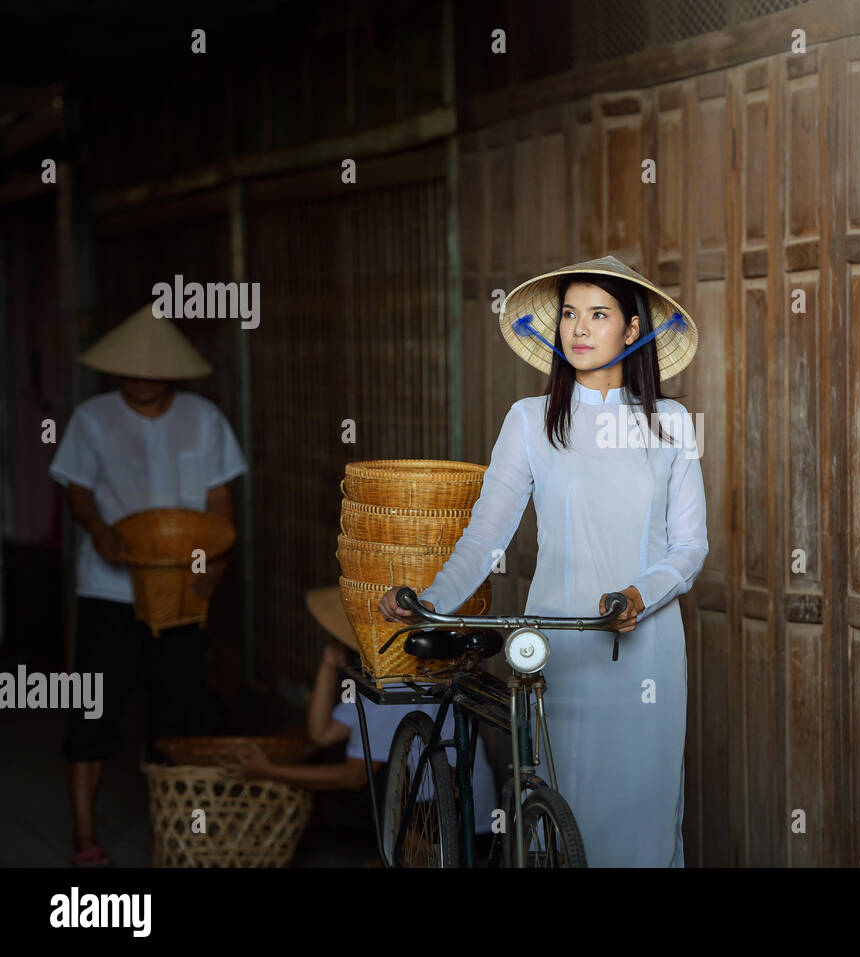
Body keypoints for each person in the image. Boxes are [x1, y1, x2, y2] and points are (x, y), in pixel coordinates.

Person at [378, 255, 708, 867]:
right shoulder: (530, 422)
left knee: (645, 817)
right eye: (569, 315)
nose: (579, 329)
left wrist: (638, 595)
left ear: (633, 331)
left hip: (649, 652)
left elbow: (689, 547)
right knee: (562, 808)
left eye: (599, 315)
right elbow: (486, 534)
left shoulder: (672, 424)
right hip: (559, 646)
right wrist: (431, 601)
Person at [47, 304, 248, 867]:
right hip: (107, 589)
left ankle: (180, 834)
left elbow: (218, 502)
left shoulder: (205, 419)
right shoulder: (91, 418)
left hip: (182, 593)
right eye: (131, 369)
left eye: (154, 369)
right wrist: (97, 529)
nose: (142, 377)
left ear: (175, 372)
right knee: (93, 710)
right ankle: (83, 832)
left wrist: (215, 564)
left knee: (180, 714)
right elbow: (79, 492)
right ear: (116, 371)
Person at [223, 587, 497, 862]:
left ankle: (420, 854)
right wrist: (329, 664)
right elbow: (321, 734)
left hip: (460, 817)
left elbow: (353, 777)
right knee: (336, 756)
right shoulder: (378, 680)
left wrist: (268, 771)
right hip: (444, 805)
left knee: (364, 779)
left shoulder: (397, 685)